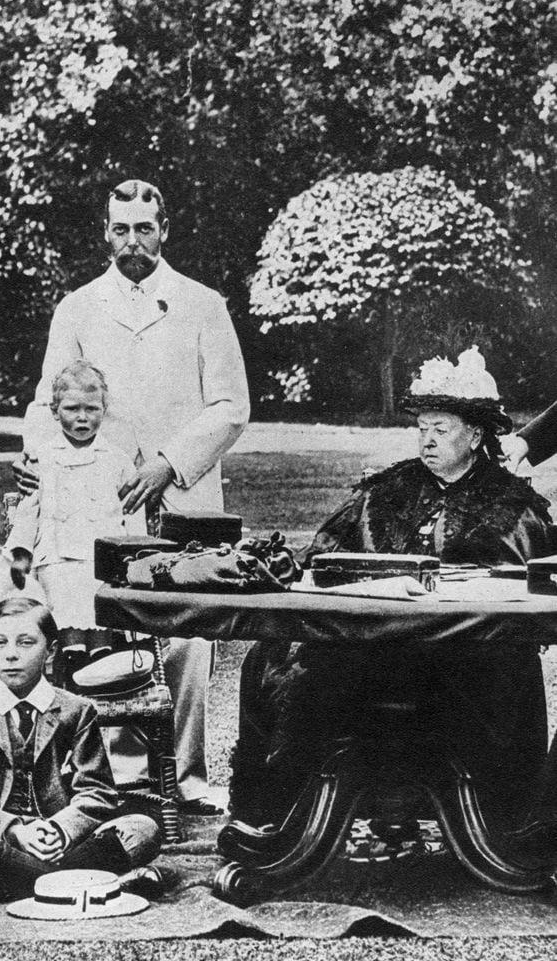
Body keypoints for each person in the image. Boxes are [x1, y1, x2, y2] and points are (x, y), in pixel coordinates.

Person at [230, 348, 554, 834]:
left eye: (440, 430)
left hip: (465, 654)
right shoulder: (389, 490)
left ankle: (486, 821)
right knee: (272, 660)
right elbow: (322, 559)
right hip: (373, 645)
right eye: (421, 428)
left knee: (489, 674)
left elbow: (526, 586)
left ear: (476, 436)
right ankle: (280, 817)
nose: (426, 440)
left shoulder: (511, 503)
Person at [19, 179, 250, 814]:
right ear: (105, 233)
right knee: (104, 625)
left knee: (186, 631)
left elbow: (232, 404)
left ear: (165, 230)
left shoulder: (202, 305)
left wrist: (170, 464)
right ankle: (113, 777)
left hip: (184, 490)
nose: (132, 243)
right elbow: (49, 401)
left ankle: (187, 776)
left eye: (144, 229)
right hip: (101, 491)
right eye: (120, 230)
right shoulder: (78, 307)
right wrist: (40, 459)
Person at [0, 597, 161, 906]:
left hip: (60, 842)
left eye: (26, 643)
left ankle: (7, 883)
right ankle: (78, 882)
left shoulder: (76, 711)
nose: (11, 654)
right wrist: (14, 831)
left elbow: (97, 793)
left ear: (50, 651)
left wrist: (60, 830)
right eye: (0, 643)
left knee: (142, 829)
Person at [0, 359, 146, 636]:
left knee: (102, 611)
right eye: (72, 408)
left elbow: (131, 511)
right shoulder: (43, 458)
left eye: (92, 409)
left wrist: (135, 558)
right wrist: (21, 554)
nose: (83, 417)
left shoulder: (118, 461)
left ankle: (100, 658)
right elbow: (28, 513)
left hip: (103, 562)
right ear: (55, 413)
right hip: (56, 558)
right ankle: (71, 658)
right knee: (62, 606)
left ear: (104, 411)